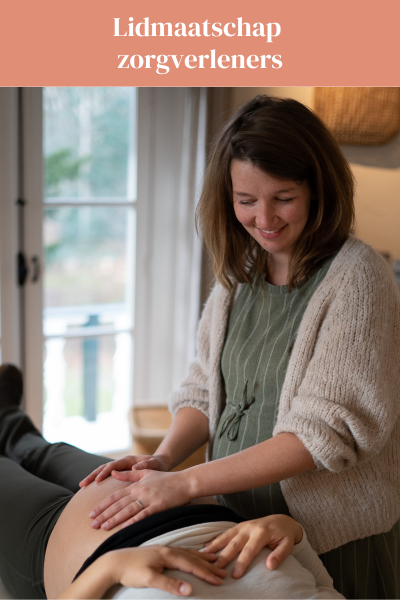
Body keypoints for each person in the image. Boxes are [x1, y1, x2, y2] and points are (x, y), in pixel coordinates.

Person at [80, 95, 400, 599]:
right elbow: (205, 390)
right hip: (236, 526)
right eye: (246, 200)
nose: (264, 218)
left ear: (320, 189)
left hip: (331, 541)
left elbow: (327, 431)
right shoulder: (241, 274)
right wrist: (163, 461)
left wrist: (187, 483)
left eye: (284, 197)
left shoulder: (358, 279)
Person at [0, 364, 344, 600]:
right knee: (44, 451)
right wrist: (287, 529)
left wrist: (111, 569)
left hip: (67, 549)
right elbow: (319, 581)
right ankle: (6, 415)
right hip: (161, 495)